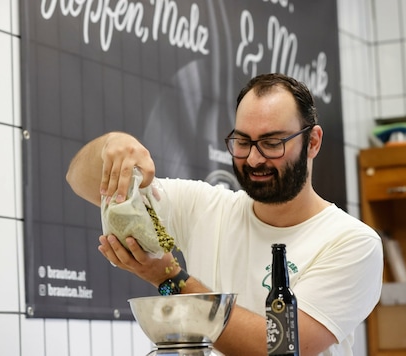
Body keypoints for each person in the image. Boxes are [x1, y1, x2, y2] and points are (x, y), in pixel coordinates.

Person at [66, 73, 383, 356]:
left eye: (272, 143)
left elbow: (279, 347)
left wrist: (170, 279)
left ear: (312, 142)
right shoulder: (205, 206)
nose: (254, 159)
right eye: (243, 142)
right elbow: (81, 181)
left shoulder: (351, 242)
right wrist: (115, 146)